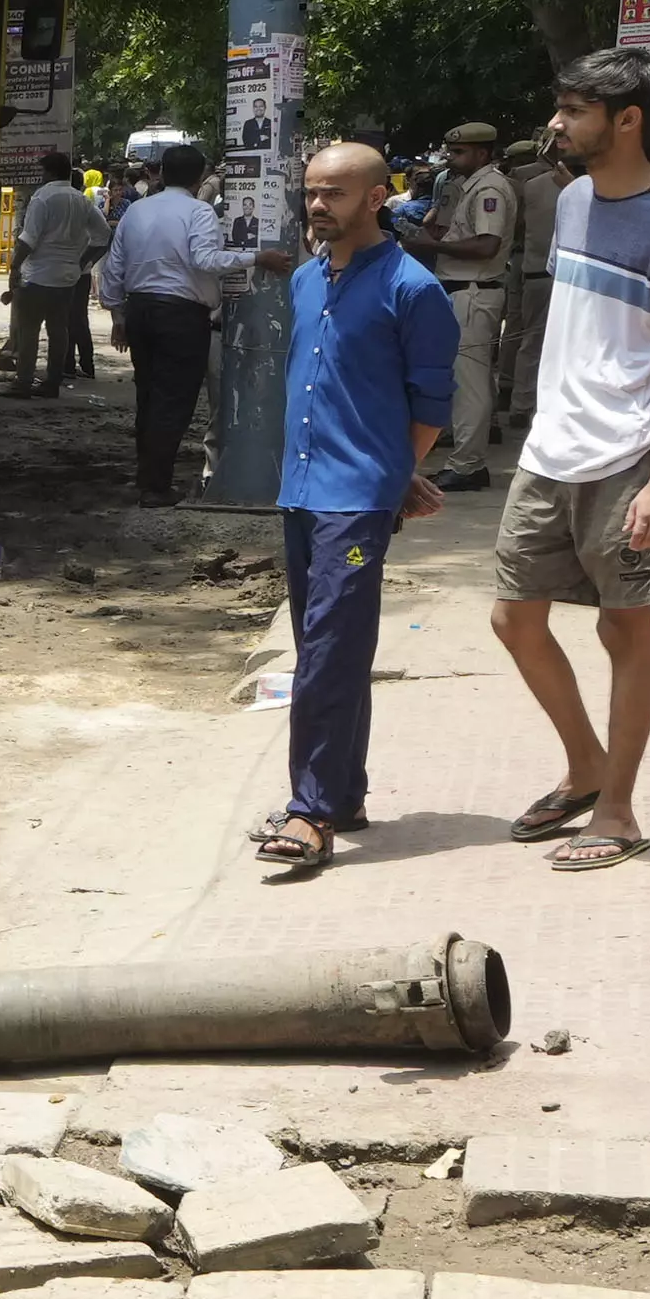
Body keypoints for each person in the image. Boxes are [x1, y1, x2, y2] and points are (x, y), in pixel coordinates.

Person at [494, 47, 650, 874]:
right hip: (553, 449)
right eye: (560, 107)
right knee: (513, 618)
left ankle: (620, 808)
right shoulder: (575, 200)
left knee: (622, 626)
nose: (557, 124)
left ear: (628, 121)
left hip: (629, 454)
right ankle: (584, 765)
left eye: (574, 111)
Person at [254, 143, 456, 880]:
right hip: (302, 488)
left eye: (334, 193)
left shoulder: (413, 289)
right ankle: (342, 794)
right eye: (311, 191)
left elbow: (431, 403)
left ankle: (311, 812)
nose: (317, 205)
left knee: (333, 649)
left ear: (377, 198)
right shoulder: (307, 280)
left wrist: (396, 472)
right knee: (322, 649)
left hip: (356, 499)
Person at [100, 142, 265, 504]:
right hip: (181, 314)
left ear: (157, 171)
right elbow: (206, 259)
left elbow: (114, 267)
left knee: (149, 395)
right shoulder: (199, 212)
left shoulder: (137, 212)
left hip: (141, 310)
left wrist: (117, 315)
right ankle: (155, 487)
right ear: (200, 176)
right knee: (172, 401)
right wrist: (258, 257)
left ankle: (147, 477)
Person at [398, 122, 519, 482]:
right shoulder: (464, 186)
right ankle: (460, 446)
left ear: (483, 153)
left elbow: (487, 244)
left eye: (459, 152)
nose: (451, 158)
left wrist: (432, 246)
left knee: (471, 380)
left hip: (475, 290)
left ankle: (468, 464)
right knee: (456, 375)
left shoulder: (491, 188)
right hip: (457, 288)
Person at [2, 150, 107, 395]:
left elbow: (28, 239)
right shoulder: (81, 200)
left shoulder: (43, 198)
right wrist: (81, 262)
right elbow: (102, 236)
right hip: (67, 278)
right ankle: (52, 382)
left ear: (48, 172)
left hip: (37, 275)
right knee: (59, 330)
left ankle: (24, 381)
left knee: (29, 330)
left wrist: (15, 266)